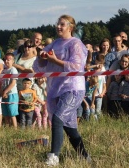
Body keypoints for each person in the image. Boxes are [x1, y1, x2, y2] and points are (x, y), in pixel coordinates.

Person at [33, 14, 90, 166]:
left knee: (58, 118)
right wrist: (42, 57)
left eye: (62, 24)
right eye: (58, 24)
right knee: (68, 127)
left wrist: (54, 60)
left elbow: (76, 66)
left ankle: (53, 157)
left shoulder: (75, 44)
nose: (58, 26)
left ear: (70, 27)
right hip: (56, 88)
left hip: (73, 88)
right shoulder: (55, 43)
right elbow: (38, 67)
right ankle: (85, 158)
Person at [0, 53, 18, 128]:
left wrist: (5, 91)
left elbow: (13, 82)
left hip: (12, 94)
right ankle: (7, 128)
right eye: (5, 59)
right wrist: (2, 92)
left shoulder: (13, 70)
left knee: (12, 113)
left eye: (9, 59)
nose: (7, 61)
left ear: (13, 61)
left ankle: (15, 128)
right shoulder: (3, 71)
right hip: (4, 94)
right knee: (6, 114)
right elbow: (1, 82)